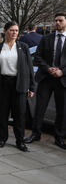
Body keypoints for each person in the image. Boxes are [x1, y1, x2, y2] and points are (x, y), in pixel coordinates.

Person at [0, 21, 35, 151]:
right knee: (2, 114)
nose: (14, 33)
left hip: (19, 84)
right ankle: (2, 138)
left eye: (16, 31)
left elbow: (30, 68)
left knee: (20, 114)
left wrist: (32, 87)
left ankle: (20, 141)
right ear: (5, 31)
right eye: (12, 30)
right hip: (2, 84)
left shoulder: (23, 47)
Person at [25, 13, 66, 150]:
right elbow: (38, 57)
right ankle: (35, 134)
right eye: (56, 21)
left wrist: (62, 71)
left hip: (62, 80)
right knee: (39, 108)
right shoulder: (46, 38)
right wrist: (48, 69)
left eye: (60, 20)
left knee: (62, 110)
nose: (57, 23)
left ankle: (59, 137)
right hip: (46, 79)